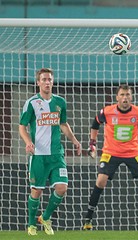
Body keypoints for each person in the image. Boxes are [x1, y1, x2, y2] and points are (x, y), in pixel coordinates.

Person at [83, 84, 138, 231]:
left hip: (132, 152)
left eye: (128, 95)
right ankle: (88, 219)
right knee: (100, 181)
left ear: (131, 97)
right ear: (117, 97)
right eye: (122, 95)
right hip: (110, 152)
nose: (125, 98)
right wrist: (92, 143)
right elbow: (95, 124)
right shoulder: (107, 111)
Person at [19, 68, 81, 236]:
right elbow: (22, 127)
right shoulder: (31, 103)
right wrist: (28, 142)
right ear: (38, 82)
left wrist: (74, 141)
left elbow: (63, 124)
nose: (47, 82)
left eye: (49, 79)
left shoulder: (60, 102)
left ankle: (45, 218)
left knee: (62, 188)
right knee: (37, 191)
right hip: (38, 155)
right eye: (44, 79)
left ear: (53, 82)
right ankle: (31, 224)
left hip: (56, 155)